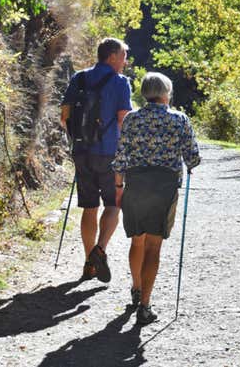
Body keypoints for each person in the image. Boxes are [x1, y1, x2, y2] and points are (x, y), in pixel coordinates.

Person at [112, 72, 200, 324]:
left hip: (136, 184)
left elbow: (120, 157)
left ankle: (136, 288)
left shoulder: (131, 119)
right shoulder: (179, 120)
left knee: (137, 240)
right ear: (166, 94)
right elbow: (192, 157)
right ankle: (145, 306)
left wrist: (119, 185)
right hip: (164, 186)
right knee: (153, 245)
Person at [60, 38, 132, 283]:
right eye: (123, 55)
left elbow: (65, 116)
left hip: (82, 152)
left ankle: (88, 263)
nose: (125, 61)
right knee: (113, 204)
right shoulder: (120, 82)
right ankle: (99, 250)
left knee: (89, 207)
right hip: (110, 151)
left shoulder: (79, 78)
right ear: (111, 56)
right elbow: (124, 119)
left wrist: (78, 141)